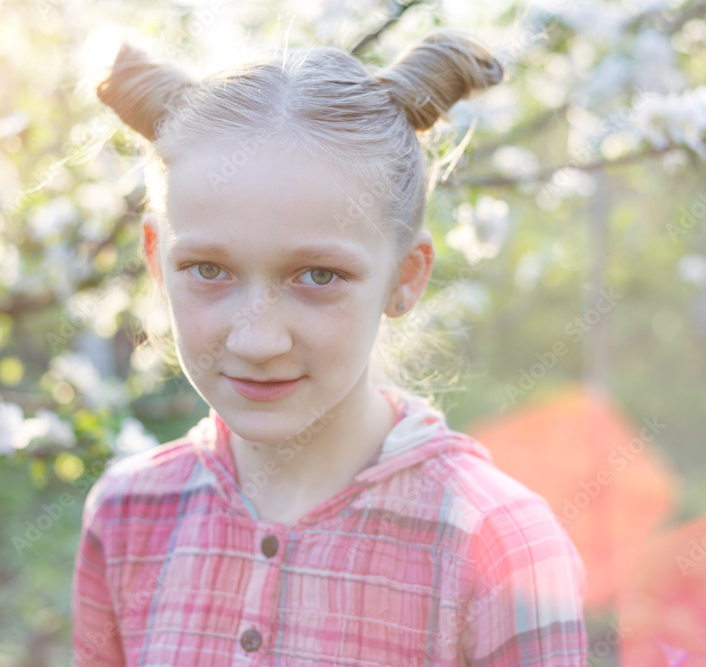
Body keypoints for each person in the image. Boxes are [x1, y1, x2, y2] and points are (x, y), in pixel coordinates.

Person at [72, 27, 587, 666]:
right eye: (209, 269)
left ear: (405, 277)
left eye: (319, 276)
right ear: (156, 261)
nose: (258, 339)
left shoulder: (497, 546)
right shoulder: (127, 516)